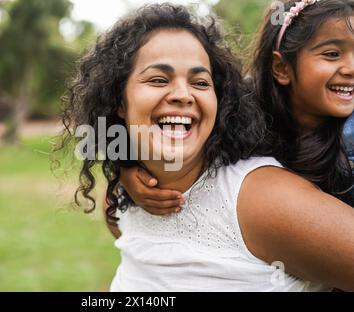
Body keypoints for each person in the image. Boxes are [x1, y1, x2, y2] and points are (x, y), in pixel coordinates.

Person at [115, 1, 354, 291]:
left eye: (200, 82)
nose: (350, 68)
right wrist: (128, 168)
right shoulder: (245, 106)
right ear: (281, 67)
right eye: (331, 54)